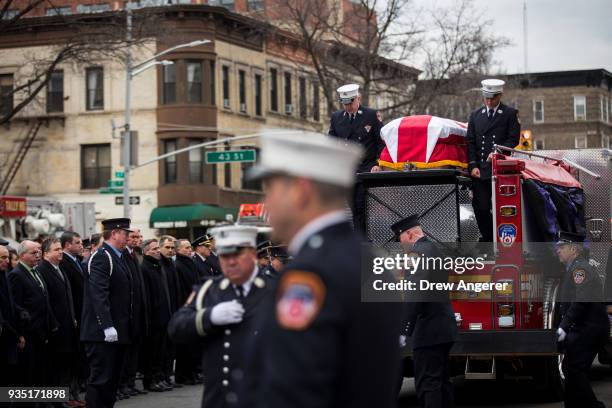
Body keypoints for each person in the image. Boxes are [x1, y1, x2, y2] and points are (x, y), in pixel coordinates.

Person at [241, 132, 402, 407]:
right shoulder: (369, 261)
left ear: (301, 191)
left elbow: (291, 388)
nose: (267, 203)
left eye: (272, 189)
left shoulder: (311, 275)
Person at [168, 225, 274, 408]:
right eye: (225, 256)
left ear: (253, 255)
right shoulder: (209, 290)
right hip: (220, 398)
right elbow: (176, 327)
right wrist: (209, 317)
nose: (230, 262)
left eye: (237, 255)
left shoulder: (276, 290)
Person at [391, 215, 457, 408]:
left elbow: (415, 293)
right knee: (442, 381)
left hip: (429, 331)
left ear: (410, 234)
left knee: (428, 384)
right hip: (443, 328)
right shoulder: (433, 249)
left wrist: (404, 330)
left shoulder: (417, 254)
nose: (401, 244)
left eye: (401, 238)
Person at [80, 218, 134, 408]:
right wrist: (107, 325)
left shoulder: (119, 257)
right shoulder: (102, 256)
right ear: (114, 234)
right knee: (101, 381)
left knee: (111, 383)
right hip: (101, 333)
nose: (129, 237)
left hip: (117, 332)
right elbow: (98, 294)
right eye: (125, 233)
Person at [555, 231, 608, 408]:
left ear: (573, 249)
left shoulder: (580, 269)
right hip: (584, 328)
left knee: (574, 368)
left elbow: (581, 300)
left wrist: (564, 325)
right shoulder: (573, 268)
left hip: (589, 329)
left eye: (561, 247)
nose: (558, 250)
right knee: (571, 368)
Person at [466, 79, 520, 242]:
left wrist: (497, 151)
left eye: (493, 98)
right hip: (481, 170)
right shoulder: (475, 115)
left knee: (503, 208)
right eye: (486, 98)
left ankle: (504, 238)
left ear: (500, 96)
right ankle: (489, 237)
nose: (489, 101)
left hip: (500, 169)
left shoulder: (510, 114)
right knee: (480, 208)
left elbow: (513, 139)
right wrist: (473, 165)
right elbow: (471, 142)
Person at [328, 83, 384, 231]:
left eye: (350, 103)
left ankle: (363, 242)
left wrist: (378, 162)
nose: (348, 107)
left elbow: (381, 141)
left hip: (366, 168)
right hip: (347, 170)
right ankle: (360, 241)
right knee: (353, 207)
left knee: (361, 206)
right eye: (345, 104)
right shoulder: (337, 118)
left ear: (357, 98)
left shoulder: (371, 115)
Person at [8, 240, 57, 387]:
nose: (38, 255)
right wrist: (20, 333)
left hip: (42, 331)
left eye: (39, 252)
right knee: (28, 374)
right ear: (22, 255)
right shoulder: (16, 275)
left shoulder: (36, 271)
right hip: (29, 333)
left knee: (41, 371)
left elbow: (43, 299)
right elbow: (16, 307)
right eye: (33, 253)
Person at [38, 238, 79, 406]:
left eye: (61, 249)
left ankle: (66, 397)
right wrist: (54, 324)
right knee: (56, 366)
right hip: (56, 328)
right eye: (56, 250)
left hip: (68, 325)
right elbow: (47, 301)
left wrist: (73, 317)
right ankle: (57, 400)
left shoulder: (59, 268)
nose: (60, 252)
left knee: (66, 365)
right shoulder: (43, 270)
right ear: (46, 253)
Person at [119, 228, 149, 398]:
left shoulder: (135, 255)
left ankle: (129, 382)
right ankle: (123, 384)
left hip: (137, 311)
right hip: (127, 313)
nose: (137, 240)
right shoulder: (122, 255)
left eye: (138, 236)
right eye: (133, 237)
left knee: (134, 352)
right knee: (126, 352)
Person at [140, 239, 173, 393]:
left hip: (163, 316)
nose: (158, 251)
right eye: (154, 249)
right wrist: (149, 319)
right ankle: (150, 380)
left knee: (161, 351)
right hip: (153, 319)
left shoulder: (157, 266)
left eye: (158, 248)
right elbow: (147, 297)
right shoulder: (145, 268)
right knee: (152, 352)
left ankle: (159, 378)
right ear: (146, 252)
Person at [174, 238, 200, 385]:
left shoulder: (190, 263)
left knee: (193, 344)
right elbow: (182, 289)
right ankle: (183, 375)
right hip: (185, 307)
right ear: (178, 250)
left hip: (194, 306)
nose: (189, 250)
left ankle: (192, 373)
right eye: (186, 248)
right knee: (185, 345)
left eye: (190, 247)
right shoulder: (178, 265)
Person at [158, 236, 182, 389]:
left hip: (173, 311)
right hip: (162, 314)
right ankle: (159, 376)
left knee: (170, 348)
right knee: (160, 349)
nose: (170, 250)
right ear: (160, 247)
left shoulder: (171, 264)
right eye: (167, 247)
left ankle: (167, 375)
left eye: (173, 248)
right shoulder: (159, 264)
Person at [0, 244, 24, 386]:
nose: (7, 261)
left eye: (8, 258)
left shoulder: (5, 275)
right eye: (3, 258)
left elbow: (9, 302)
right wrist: (17, 335)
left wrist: (20, 311)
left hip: (9, 336)